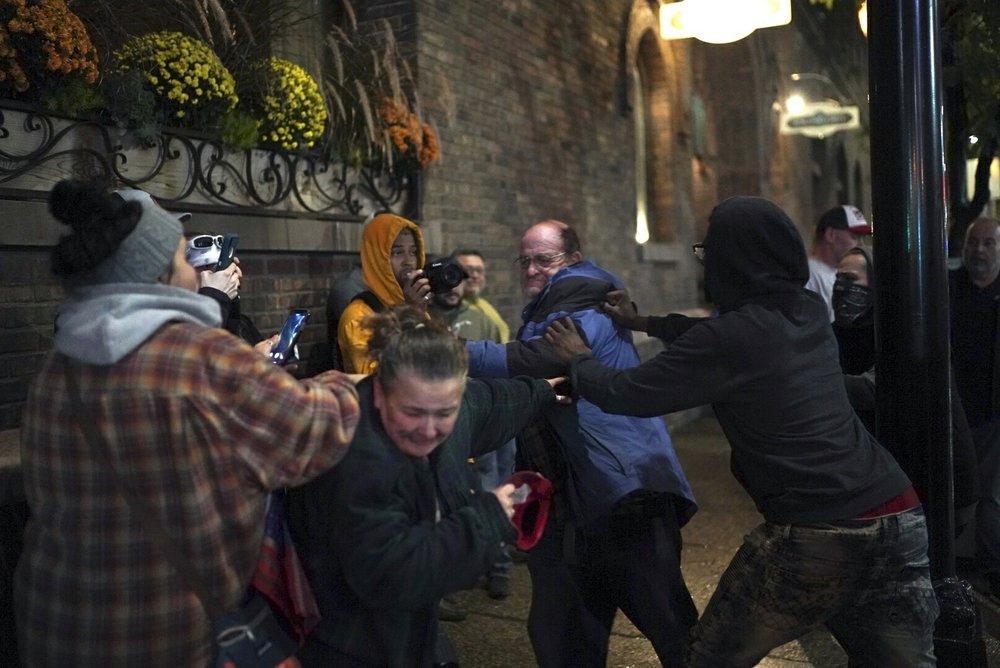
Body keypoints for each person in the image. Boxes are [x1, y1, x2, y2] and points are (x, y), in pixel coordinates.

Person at [545, 196, 938, 666]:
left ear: (732, 261)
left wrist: (579, 361)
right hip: (897, 514)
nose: (704, 263)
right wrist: (643, 322)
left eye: (708, 252)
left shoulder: (730, 337)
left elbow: (630, 392)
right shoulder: (806, 309)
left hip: (817, 532)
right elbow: (717, 338)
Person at [15, 179, 361, 665]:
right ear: (157, 274)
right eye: (182, 257)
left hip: (54, 624)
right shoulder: (195, 354)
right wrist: (346, 384)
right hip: (161, 633)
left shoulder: (58, 365)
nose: (195, 270)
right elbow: (312, 431)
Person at [465, 220, 698, 666]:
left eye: (544, 259)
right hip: (575, 498)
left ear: (572, 259)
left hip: (624, 494)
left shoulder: (586, 300)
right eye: (525, 260)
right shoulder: (554, 306)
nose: (532, 269)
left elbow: (539, 360)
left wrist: (460, 353)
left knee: (670, 626)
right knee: (563, 634)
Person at [285, 306, 566, 666]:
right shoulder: (357, 460)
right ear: (381, 392)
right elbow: (394, 575)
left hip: (401, 635)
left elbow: (491, 401)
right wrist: (487, 518)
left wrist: (543, 390)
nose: (430, 430)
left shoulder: (423, 410)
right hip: (350, 645)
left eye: (445, 413)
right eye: (414, 413)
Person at [835, 246, 978, 539]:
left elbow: (876, 387)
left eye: (851, 279)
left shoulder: (906, 329)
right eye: (838, 279)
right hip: (889, 482)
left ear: (877, 286)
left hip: (936, 482)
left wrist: (814, 381)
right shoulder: (841, 333)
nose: (842, 288)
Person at [428, 257, 515, 599]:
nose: (452, 287)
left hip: (481, 418)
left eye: (458, 279)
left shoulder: (482, 317)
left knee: (491, 487)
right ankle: (458, 569)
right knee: (449, 495)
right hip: (443, 420)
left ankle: (499, 567)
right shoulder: (424, 316)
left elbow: (502, 363)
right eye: (446, 279)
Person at [950, 216, 1000, 597]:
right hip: (956, 413)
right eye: (973, 243)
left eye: (989, 243)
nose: (979, 250)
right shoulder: (946, 290)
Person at [337, 213, 431, 373]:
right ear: (378, 259)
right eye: (398, 252)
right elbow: (378, 377)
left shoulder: (416, 305)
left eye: (413, 252)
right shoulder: (359, 316)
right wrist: (410, 314)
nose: (408, 261)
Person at [805, 204, 871, 321]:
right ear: (831, 235)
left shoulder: (835, 271)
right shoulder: (809, 275)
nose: (862, 244)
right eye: (854, 237)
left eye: (862, 238)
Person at [455, 249, 510, 341]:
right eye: (468, 270)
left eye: (479, 270)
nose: (475, 275)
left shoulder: (484, 305)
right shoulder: (451, 310)